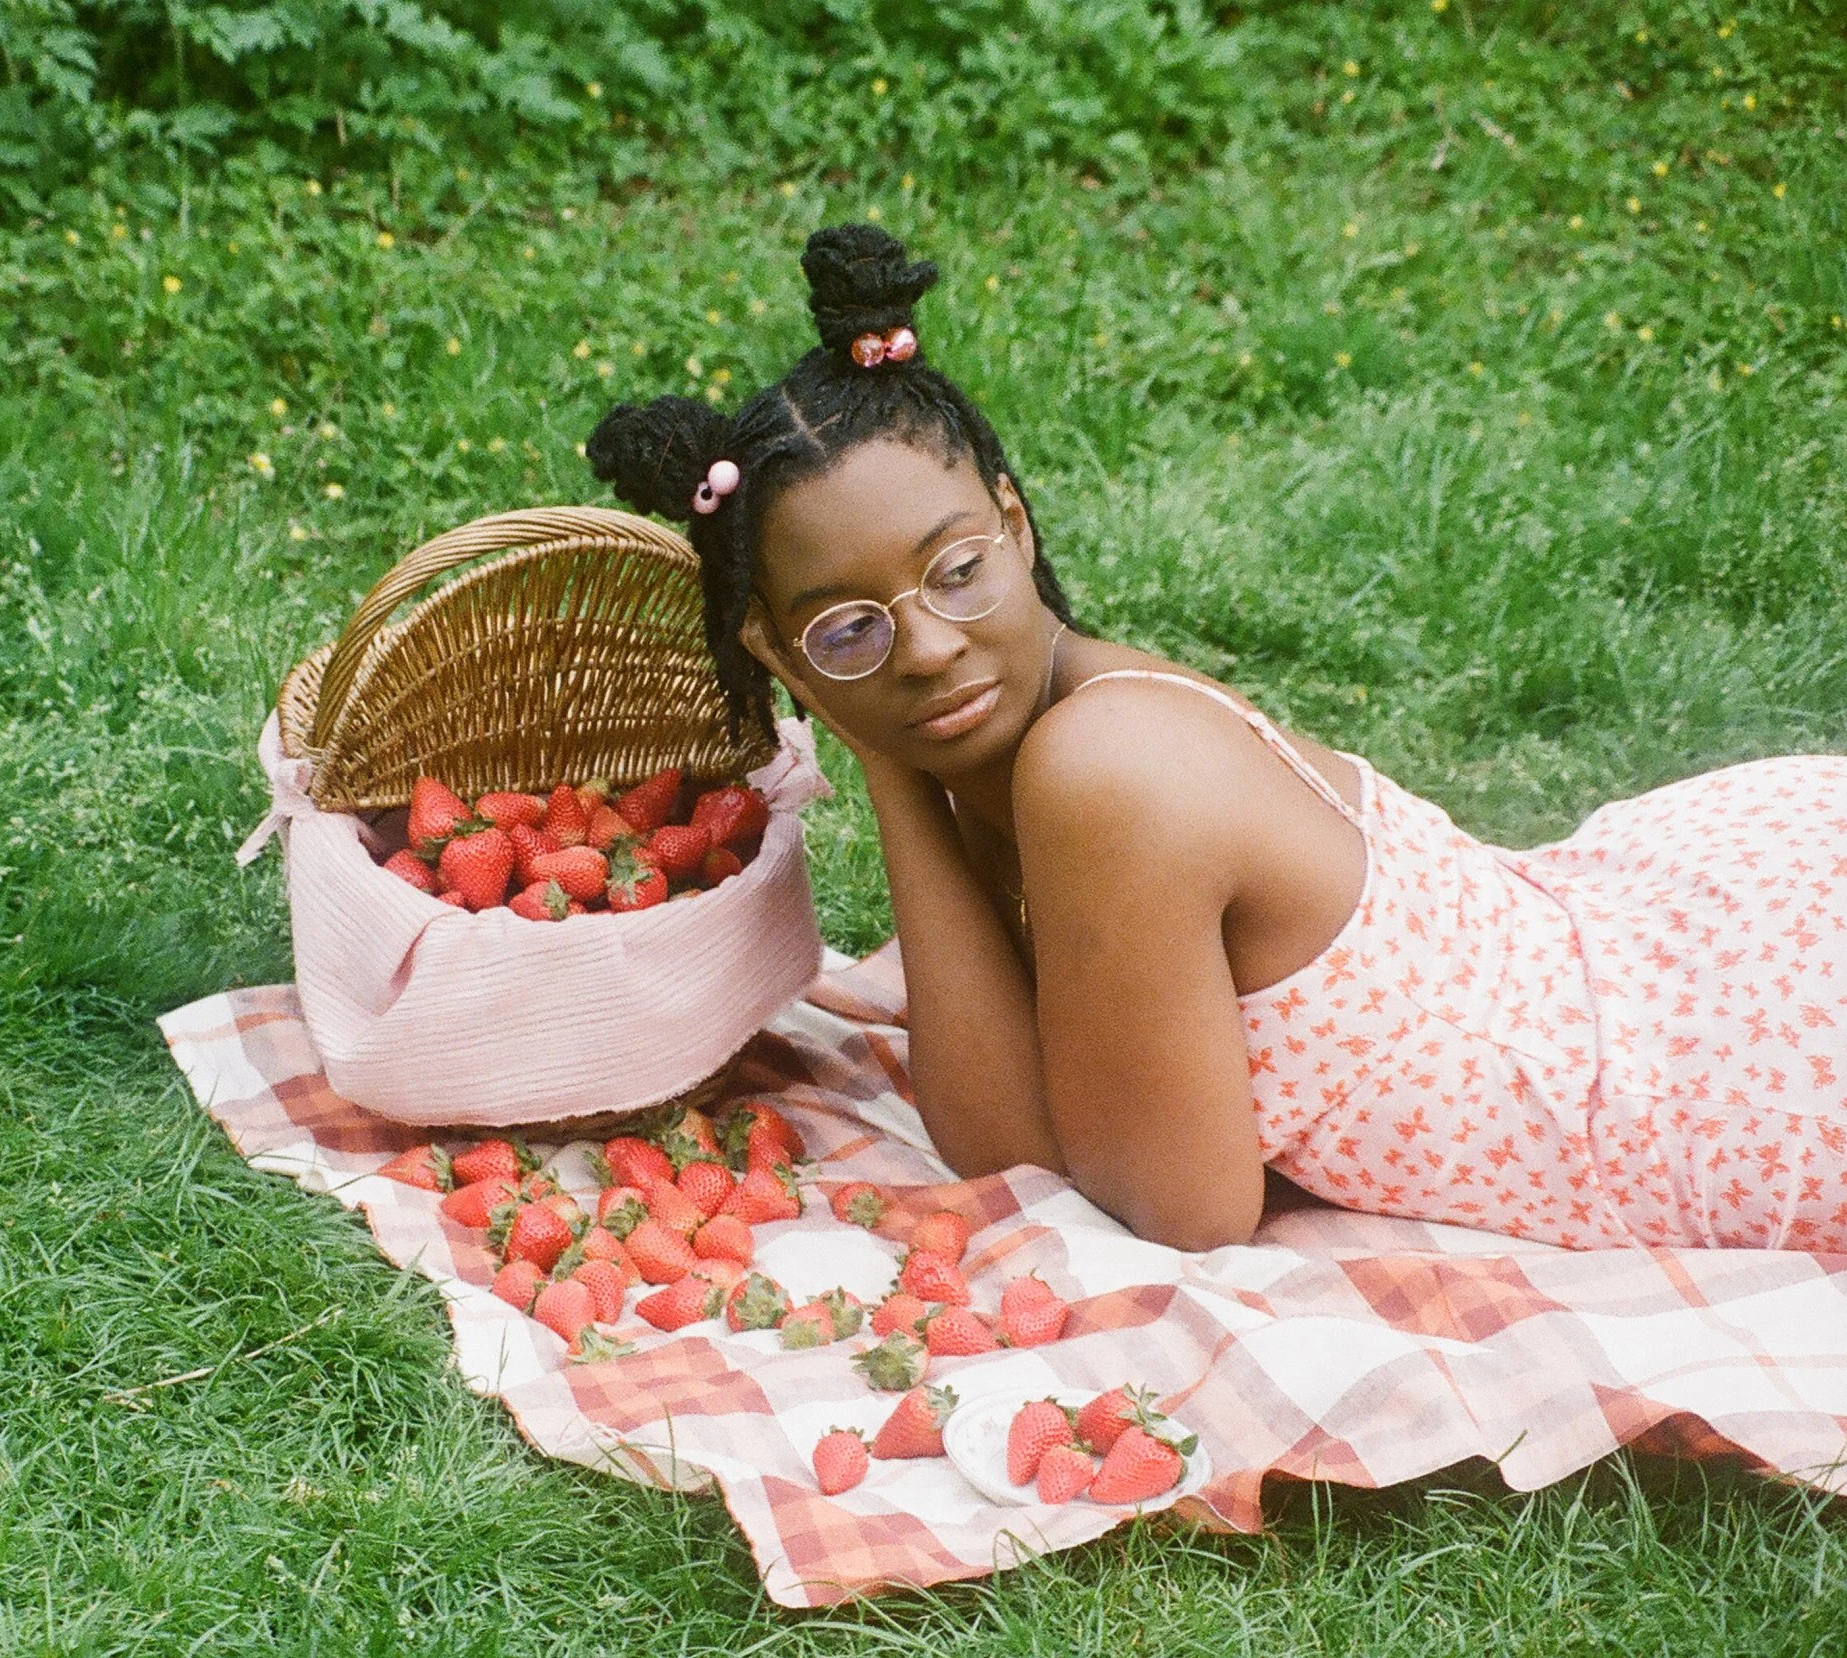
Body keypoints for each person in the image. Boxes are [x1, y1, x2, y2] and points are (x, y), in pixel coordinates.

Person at [583, 222, 1847, 1255]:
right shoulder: (1028, 718)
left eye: (956, 567)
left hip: (1720, 1072)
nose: (923, 647)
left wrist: (878, 734)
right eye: (848, 630)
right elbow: (1003, 1109)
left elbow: (1165, 1203)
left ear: (1014, 525)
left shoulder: (1102, 765)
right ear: (772, 648)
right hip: (1657, 948)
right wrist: (889, 752)